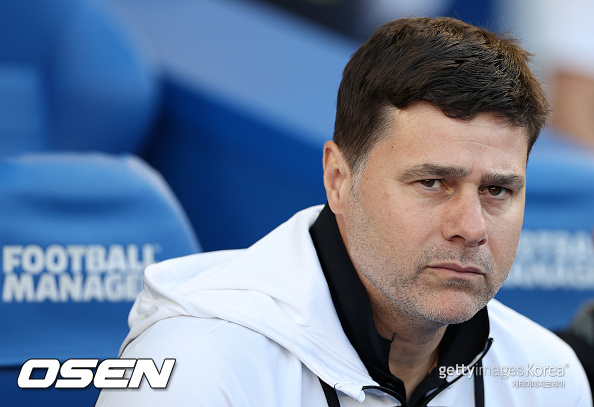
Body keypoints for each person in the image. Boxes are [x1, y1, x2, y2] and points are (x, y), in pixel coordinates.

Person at [96, 17, 592, 406]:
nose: (470, 227)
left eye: (497, 191)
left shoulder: (548, 376)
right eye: (432, 183)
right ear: (338, 179)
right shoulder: (197, 365)